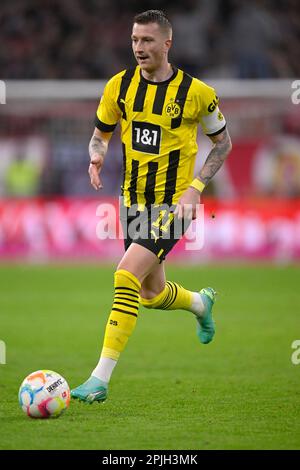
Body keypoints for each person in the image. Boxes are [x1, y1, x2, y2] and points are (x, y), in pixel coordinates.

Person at [71, 10, 232, 403]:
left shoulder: (197, 94)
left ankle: (100, 379)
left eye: (146, 41)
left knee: (125, 276)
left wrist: (196, 187)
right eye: (134, 41)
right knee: (151, 293)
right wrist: (96, 155)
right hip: (131, 203)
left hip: (174, 207)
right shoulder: (119, 86)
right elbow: (100, 134)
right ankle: (199, 302)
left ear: (167, 44)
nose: (138, 48)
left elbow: (223, 143)